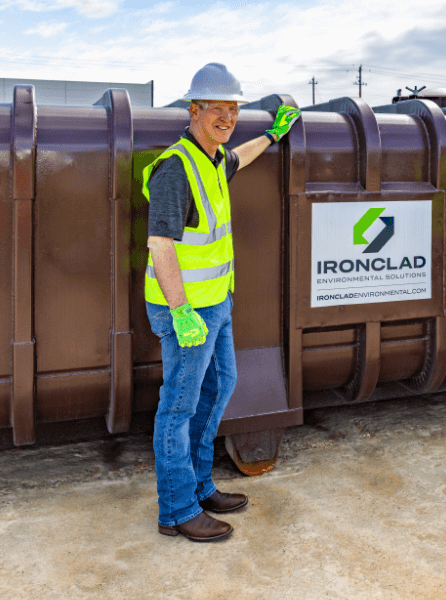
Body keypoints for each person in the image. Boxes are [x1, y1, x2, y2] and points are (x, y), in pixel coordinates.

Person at [143, 63, 300, 541]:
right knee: (179, 407)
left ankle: (200, 484)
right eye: (217, 109)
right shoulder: (177, 167)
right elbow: (160, 245)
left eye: (233, 109)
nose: (227, 117)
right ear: (194, 110)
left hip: (216, 302)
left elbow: (240, 158)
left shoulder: (211, 160)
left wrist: (273, 135)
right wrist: (181, 310)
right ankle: (176, 510)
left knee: (221, 385)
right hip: (187, 308)